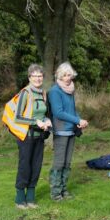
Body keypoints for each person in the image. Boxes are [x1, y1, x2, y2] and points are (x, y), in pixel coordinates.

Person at [13, 64, 52, 209]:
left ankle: (30, 198)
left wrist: (47, 121)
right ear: (29, 77)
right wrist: (36, 122)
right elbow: (18, 117)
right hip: (26, 137)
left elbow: (45, 113)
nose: (37, 78)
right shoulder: (25, 93)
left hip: (39, 136)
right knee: (25, 166)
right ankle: (19, 199)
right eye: (34, 76)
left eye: (40, 76)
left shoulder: (43, 93)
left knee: (36, 166)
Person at [48, 62, 88, 201]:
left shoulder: (70, 90)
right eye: (64, 75)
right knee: (59, 163)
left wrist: (79, 119)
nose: (67, 78)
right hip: (60, 131)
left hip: (71, 131)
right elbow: (58, 113)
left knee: (67, 163)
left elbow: (72, 110)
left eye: (69, 74)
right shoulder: (54, 91)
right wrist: (77, 121)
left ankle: (64, 190)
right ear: (59, 76)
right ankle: (55, 193)